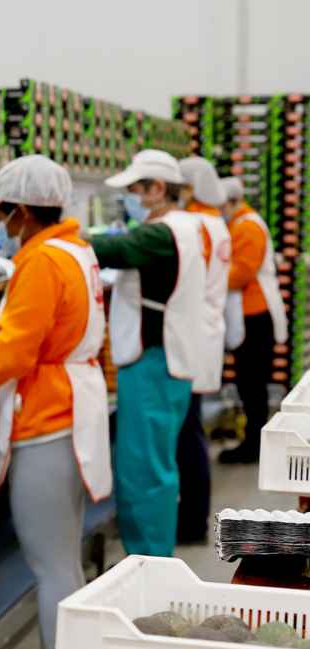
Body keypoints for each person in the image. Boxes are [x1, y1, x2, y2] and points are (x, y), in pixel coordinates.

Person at [0, 155, 111, 649]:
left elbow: (13, 352)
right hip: (70, 408)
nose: (0, 229)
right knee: (62, 559)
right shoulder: (74, 250)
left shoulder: (41, 261)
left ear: (21, 211)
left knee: (53, 567)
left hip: (48, 420)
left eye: (1, 218)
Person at [92, 150, 206, 557]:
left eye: (136, 190)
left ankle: (149, 563)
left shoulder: (163, 233)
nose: (133, 198)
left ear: (158, 189)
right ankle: (149, 557)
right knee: (151, 464)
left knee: (145, 470)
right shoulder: (183, 227)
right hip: (161, 361)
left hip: (153, 362)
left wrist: (60, 233)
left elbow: (111, 250)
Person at [174, 156, 231, 544]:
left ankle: (192, 523)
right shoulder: (216, 223)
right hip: (205, 332)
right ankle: (193, 518)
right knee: (190, 431)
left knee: (187, 433)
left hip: (193, 335)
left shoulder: (196, 225)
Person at [218, 176, 289, 463]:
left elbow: (240, 274)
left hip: (255, 317)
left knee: (252, 384)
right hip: (249, 315)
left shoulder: (247, 226)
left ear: (233, 201)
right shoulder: (239, 224)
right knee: (249, 383)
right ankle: (253, 443)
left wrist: (206, 279)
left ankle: (254, 446)